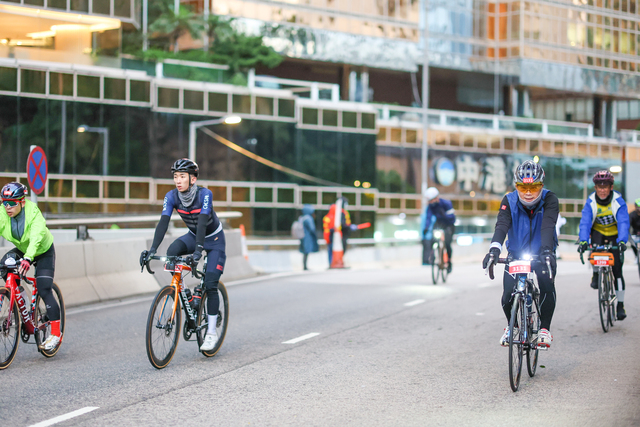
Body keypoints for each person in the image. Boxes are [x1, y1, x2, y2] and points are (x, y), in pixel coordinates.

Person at [141, 159, 226, 351]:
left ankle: (211, 333)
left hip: (214, 240)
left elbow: (202, 222)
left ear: (193, 179)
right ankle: (186, 293)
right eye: (175, 177)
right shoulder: (171, 196)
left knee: (211, 284)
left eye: (182, 176)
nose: (178, 180)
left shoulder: (205, 194)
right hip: (193, 236)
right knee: (171, 254)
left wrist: (198, 251)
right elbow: (163, 222)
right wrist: (152, 250)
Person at [482, 160, 558, 348]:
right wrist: (494, 249)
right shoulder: (509, 201)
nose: (528, 192)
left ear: (542, 185)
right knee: (508, 294)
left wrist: (547, 251)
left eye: (534, 187)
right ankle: (513, 326)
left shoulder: (550, 199)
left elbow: (548, 226)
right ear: (516, 186)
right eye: (523, 187)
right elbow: (501, 226)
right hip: (516, 253)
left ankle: (544, 329)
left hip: (542, 252)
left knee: (546, 285)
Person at [0, 182, 61, 351]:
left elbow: (36, 237)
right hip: (22, 249)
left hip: (42, 250)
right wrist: (24, 255)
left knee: (44, 288)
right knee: (4, 267)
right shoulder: (2, 213)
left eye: (12, 203)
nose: (7, 207)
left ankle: (56, 334)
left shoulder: (33, 212)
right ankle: (22, 303)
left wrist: (28, 258)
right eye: (4, 202)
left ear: (22, 202)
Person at [577, 170, 629, 320]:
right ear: (595, 188)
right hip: (598, 233)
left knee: (617, 270)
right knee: (594, 250)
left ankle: (620, 305)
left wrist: (622, 241)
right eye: (599, 187)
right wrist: (583, 240)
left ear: (611, 187)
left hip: (615, 235)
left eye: (605, 187)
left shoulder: (618, 201)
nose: (602, 190)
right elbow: (585, 222)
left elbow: (623, 222)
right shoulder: (591, 201)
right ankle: (596, 273)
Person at [421, 187, 456, 273]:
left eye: (431, 200)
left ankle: (449, 261)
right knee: (433, 238)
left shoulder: (446, 203)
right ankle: (433, 256)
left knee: (447, 243)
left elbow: (452, 218)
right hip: (439, 223)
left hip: (448, 224)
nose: (430, 202)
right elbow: (428, 218)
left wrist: (444, 215)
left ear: (436, 198)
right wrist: (426, 227)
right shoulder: (430, 206)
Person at [323, 197, 352, 266]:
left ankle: (335, 262)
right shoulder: (337, 215)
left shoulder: (343, 213)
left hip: (337, 235)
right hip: (332, 236)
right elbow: (328, 228)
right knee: (332, 249)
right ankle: (332, 263)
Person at [299, 205, 319, 270]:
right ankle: (305, 266)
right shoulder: (309, 218)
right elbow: (312, 228)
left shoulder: (301, 218)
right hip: (308, 237)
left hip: (302, 237)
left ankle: (304, 265)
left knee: (305, 252)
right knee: (306, 251)